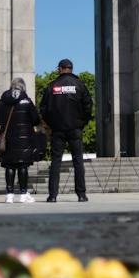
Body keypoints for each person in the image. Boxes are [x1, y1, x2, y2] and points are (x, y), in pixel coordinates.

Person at [39, 58, 93, 203]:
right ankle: (81, 194)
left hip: (58, 130)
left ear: (61, 69)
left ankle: (52, 195)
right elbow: (88, 106)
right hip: (75, 129)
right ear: (71, 69)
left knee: (56, 162)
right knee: (78, 161)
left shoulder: (52, 86)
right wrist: (82, 123)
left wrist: (52, 124)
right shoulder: (80, 85)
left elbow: (43, 109)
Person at [0, 77, 43, 204]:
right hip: (24, 140)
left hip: (8, 140)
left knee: (9, 166)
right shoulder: (27, 101)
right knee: (22, 166)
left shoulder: (3, 101)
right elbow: (36, 120)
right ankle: (23, 194)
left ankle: (9, 195)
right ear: (23, 87)